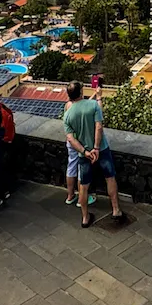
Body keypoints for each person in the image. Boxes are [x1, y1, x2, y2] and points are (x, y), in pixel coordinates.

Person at [61, 80, 124, 228]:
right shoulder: (93, 105)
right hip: (101, 148)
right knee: (110, 177)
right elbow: (99, 126)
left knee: (83, 186)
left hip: (84, 154)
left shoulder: (68, 114)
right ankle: (115, 209)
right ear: (81, 92)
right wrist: (96, 147)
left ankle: (85, 217)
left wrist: (85, 151)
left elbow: (70, 138)